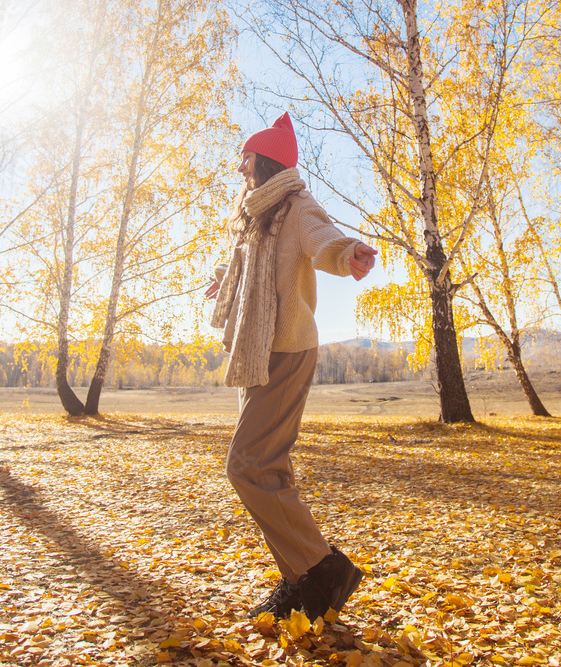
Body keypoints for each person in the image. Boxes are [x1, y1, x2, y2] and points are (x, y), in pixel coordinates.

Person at [206, 112, 377, 622]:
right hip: (255, 349)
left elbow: (323, 238)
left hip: (286, 349)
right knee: (269, 470)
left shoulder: (298, 206)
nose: (240, 167)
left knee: (246, 465)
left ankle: (324, 569)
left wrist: (348, 254)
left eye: (246, 158)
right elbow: (241, 259)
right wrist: (224, 278)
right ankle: (301, 583)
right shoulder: (256, 214)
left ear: (266, 161)